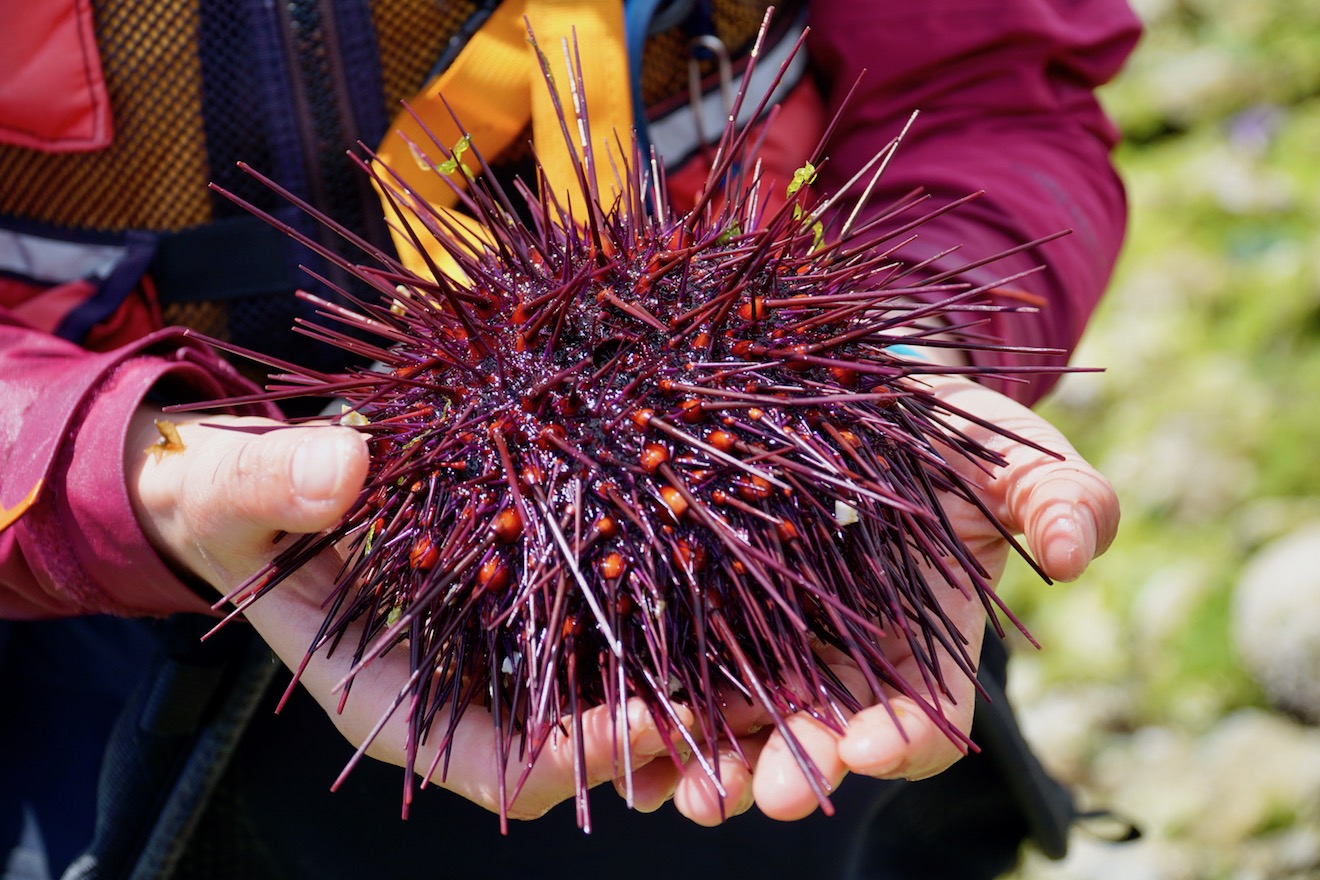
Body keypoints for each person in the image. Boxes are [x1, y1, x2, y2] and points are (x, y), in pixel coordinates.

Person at [1, 1, 1136, 877]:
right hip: (84, 610)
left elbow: (992, 90)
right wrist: (96, 464)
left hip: (794, 530)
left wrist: (914, 342)